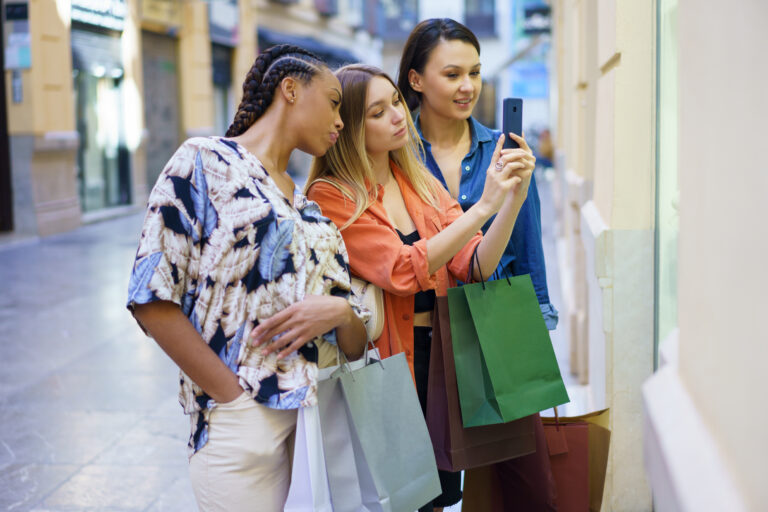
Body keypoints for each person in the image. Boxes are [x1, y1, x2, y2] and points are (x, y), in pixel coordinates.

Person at [126, 45, 367, 512]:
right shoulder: (203, 161)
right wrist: (232, 398)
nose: (341, 120)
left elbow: (355, 342)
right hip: (241, 419)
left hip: (317, 427)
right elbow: (150, 296)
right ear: (290, 89)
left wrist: (340, 311)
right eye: (335, 102)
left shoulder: (311, 209)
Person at [305, 64, 534, 512]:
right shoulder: (332, 196)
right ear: (349, 126)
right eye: (377, 111)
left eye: (395, 102)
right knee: (404, 498)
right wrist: (483, 204)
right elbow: (401, 270)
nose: (397, 116)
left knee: (439, 498)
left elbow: (474, 264)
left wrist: (512, 201)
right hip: (389, 364)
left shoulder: (418, 180)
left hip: (444, 360)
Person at [398, 18, 559, 510]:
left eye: (475, 72)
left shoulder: (502, 149)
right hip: (420, 331)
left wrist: (538, 323)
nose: (468, 86)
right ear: (416, 80)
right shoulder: (394, 153)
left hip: (498, 326)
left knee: (528, 488)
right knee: (427, 489)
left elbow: (527, 247)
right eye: (452, 74)